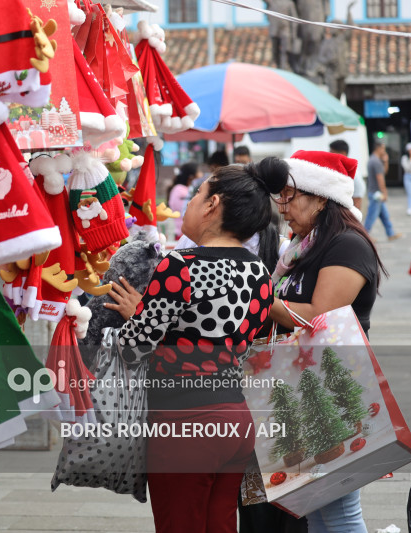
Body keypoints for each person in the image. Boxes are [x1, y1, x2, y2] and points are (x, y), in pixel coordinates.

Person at [111, 158, 289, 533]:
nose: (188, 203)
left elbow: (132, 350)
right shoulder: (259, 273)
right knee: (220, 525)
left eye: (196, 195)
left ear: (212, 205)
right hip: (235, 420)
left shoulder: (180, 265)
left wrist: (135, 318)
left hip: (184, 422)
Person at [269, 150, 387, 533]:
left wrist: (257, 299)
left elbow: (319, 312)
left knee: (338, 512)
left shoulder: (347, 245)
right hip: (303, 387)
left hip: (333, 389)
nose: (282, 206)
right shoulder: (300, 249)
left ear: (321, 197)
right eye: (279, 197)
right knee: (317, 509)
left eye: (290, 195)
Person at [364, 142, 401, 241]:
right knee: (371, 216)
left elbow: (383, 172)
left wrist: (386, 161)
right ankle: (364, 235)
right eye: (383, 149)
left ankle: (390, 233)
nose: (384, 151)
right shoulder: (376, 162)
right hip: (377, 193)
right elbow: (381, 178)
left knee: (385, 215)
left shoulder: (373, 159)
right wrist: (385, 192)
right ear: (378, 149)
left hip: (374, 192)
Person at [330, 139, 365, 212]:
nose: (329, 155)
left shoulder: (353, 173)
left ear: (343, 153)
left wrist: (353, 221)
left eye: (332, 153)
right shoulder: (338, 170)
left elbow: (357, 200)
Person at [167, 162, 199, 239]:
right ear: (191, 177)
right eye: (199, 172)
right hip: (182, 234)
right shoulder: (181, 191)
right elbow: (186, 211)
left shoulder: (180, 189)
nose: (201, 175)